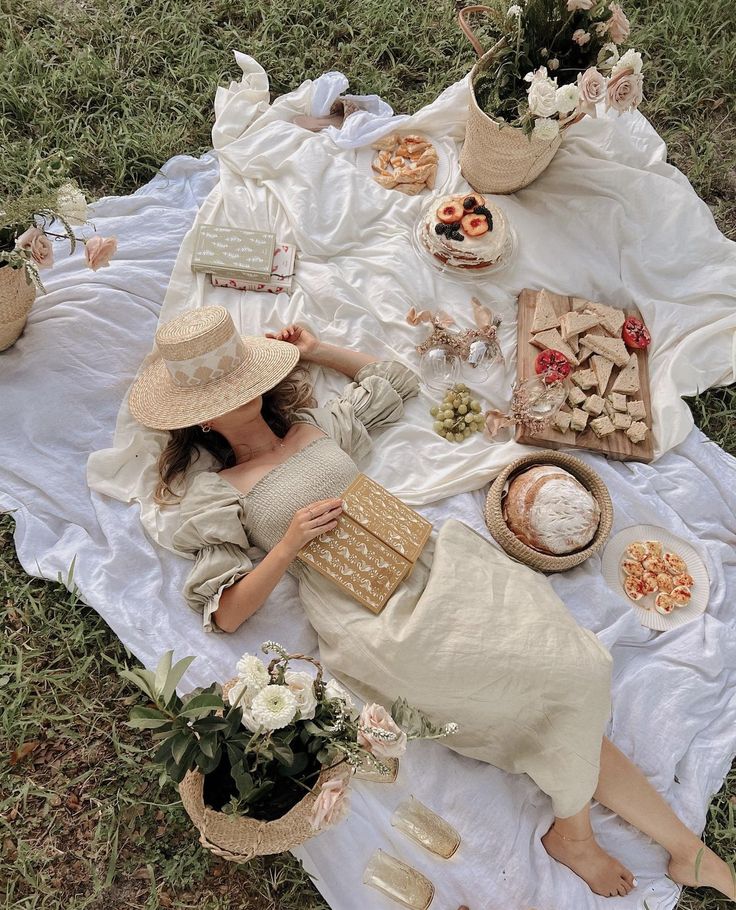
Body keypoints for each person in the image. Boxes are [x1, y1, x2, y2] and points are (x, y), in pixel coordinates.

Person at [129, 305, 734, 902]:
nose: (244, 394)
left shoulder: (315, 430)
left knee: (577, 671)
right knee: (548, 695)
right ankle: (646, 845)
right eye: (225, 393)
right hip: (373, 617)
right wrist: (287, 545)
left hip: (440, 563)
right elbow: (227, 612)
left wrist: (316, 351)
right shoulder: (218, 493)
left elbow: (395, 380)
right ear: (203, 420)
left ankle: (642, 844)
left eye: (246, 377)